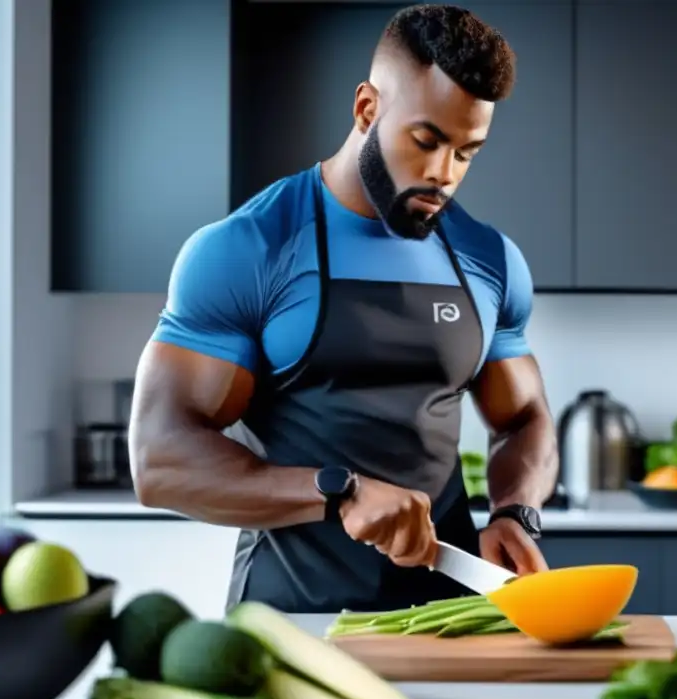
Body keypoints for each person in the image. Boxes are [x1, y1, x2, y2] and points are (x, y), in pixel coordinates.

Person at [128, 4, 558, 614]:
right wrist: (338, 491)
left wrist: (517, 511)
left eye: (467, 152)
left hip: (454, 614)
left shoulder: (489, 259)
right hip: (294, 623)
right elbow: (160, 458)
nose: (444, 174)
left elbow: (525, 418)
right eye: (426, 141)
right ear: (366, 108)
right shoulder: (250, 248)